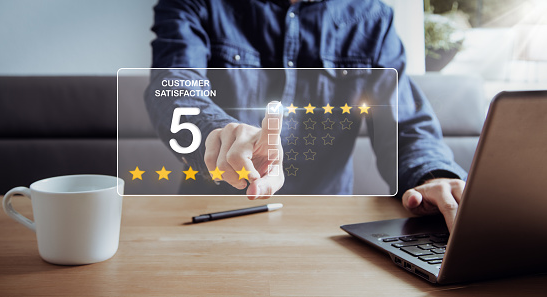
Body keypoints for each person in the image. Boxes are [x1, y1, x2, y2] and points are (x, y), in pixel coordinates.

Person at [145, 0, 467, 231]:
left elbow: (404, 125)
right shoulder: (195, 4)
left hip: (328, 228)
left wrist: (433, 176)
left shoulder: (371, 18)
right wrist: (218, 130)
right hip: (211, 218)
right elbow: (173, 87)